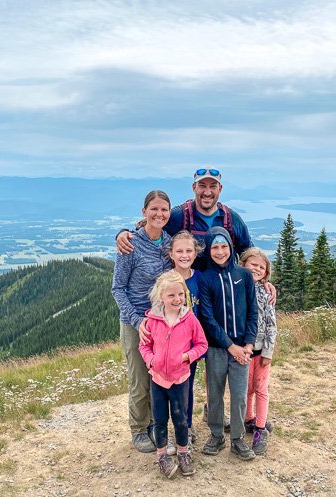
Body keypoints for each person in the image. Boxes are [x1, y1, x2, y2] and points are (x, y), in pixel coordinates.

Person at [111, 190, 172, 453]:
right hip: (134, 322)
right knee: (139, 380)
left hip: (161, 323)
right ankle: (138, 429)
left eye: (164, 210)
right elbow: (117, 289)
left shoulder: (169, 243)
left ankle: (153, 425)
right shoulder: (131, 245)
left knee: (157, 377)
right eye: (154, 209)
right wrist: (137, 321)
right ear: (144, 212)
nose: (159, 214)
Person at [139, 270, 208, 478]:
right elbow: (144, 346)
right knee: (160, 419)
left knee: (180, 418)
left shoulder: (190, 319)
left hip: (180, 379)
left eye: (180, 294)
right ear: (161, 297)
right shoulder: (152, 320)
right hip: (158, 379)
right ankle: (162, 456)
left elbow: (202, 344)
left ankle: (183, 452)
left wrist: (187, 357)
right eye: (171, 295)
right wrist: (151, 360)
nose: (177, 299)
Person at [116, 168, 252, 271]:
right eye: (202, 186)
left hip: (223, 290)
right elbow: (151, 226)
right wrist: (123, 233)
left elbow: (248, 253)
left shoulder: (232, 219)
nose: (207, 192)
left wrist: (262, 281)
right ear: (194, 188)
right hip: (189, 291)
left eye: (213, 186)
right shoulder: (180, 215)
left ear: (220, 189)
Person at [198, 226, 258, 461]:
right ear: (209, 250)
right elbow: (207, 318)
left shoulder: (244, 275)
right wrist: (229, 346)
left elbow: (253, 311)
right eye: (215, 247)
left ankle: (237, 439)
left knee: (240, 395)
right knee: (214, 394)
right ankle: (216, 434)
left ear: (231, 248)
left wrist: (249, 345)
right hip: (216, 348)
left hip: (243, 349)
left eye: (224, 246)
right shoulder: (205, 278)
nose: (220, 251)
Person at [167, 230, 204, 446]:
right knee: (167, 389)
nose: (184, 255)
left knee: (187, 387)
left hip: (191, 349)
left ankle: (186, 428)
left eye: (189, 250)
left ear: (196, 253)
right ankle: (168, 428)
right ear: (171, 254)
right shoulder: (165, 280)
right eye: (179, 251)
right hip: (170, 348)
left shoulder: (200, 279)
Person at [240, 248, 277, 455]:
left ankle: (260, 429)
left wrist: (269, 351)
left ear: (266, 273)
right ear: (243, 264)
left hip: (261, 350)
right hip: (244, 350)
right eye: (253, 264)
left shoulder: (266, 293)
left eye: (262, 267)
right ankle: (248, 419)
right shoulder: (238, 288)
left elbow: (272, 325)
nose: (257, 269)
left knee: (261, 388)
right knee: (247, 388)